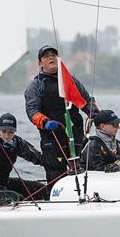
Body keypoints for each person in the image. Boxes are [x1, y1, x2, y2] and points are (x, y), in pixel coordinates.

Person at [24, 45, 97, 183]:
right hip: (52, 136)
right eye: (46, 56)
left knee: (80, 169)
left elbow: (86, 101)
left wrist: (96, 115)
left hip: (75, 134)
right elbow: (32, 110)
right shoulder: (35, 85)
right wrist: (45, 122)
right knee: (55, 173)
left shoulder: (70, 80)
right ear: (40, 63)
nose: (51, 57)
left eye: (54, 55)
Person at [0, 113, 49, 201]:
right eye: (4, 131)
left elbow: (36, 156)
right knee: (17, 197)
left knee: (42, 189)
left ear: (15, 131)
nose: (7, 135)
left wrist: (52, 164)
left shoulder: (17, 142)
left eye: (11, 132)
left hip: (3, 183)